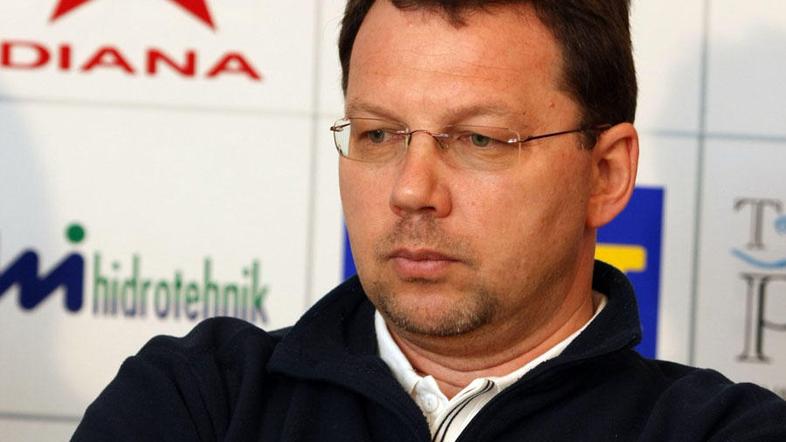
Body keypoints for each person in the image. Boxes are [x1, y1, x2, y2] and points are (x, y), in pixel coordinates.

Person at [73, 0, 786, 440]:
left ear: (605, 174)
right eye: (379, 134)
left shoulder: (722, 433)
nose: (411, 190)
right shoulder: (199, 399)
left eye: (479, 139)